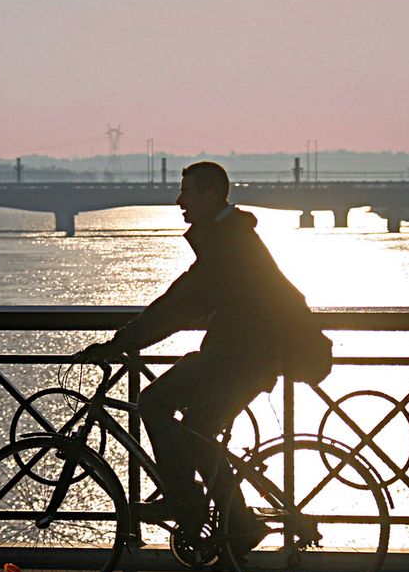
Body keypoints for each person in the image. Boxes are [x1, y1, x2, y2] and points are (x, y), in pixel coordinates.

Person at [78, 161, 326, 546]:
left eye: (188, 192)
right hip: (247, 358)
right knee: (198, 431)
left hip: (238, 358)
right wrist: (127, 340)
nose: (180, 201)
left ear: (211, 196)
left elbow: (180, 305)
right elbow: (185, 299)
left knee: (153, 402)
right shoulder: (228, 237)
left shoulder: (226, 244)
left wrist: (119, 344)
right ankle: (239, 523)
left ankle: (185, 502)